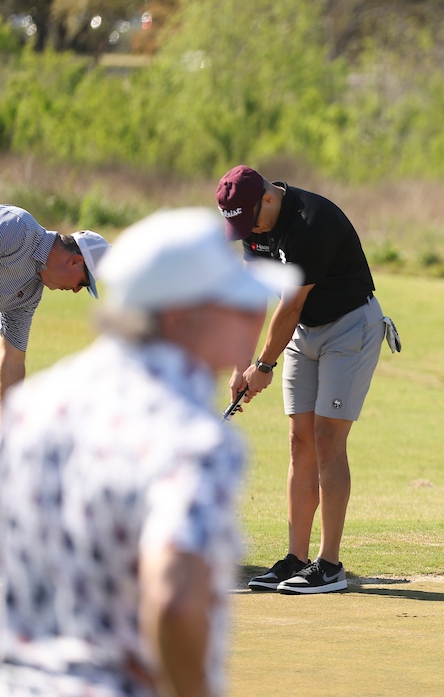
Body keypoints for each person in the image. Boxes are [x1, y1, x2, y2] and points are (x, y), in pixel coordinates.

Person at [0, 208, 295, 697]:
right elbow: (176, 599)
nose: (249, 319)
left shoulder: (28, 412)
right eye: (234, 306)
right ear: (182, 317)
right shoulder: (193, 440)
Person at [216, 165, 390, 594]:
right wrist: (243, 364)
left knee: (328, 437)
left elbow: (290, 305)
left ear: (269, 199)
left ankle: (329, 565)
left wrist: (265, 365)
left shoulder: (313, 221)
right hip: (301, 333)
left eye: (250, 220)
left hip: (349, 327)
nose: (249, 231)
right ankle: (295, 557)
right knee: (300, 440)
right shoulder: (255, 229)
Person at [0, 204, 110, 402]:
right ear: (75, 261)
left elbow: (13, 360)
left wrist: (9, 422)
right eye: (83, 283)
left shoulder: (30, 294)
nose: (76, 290)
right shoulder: (18, 228)